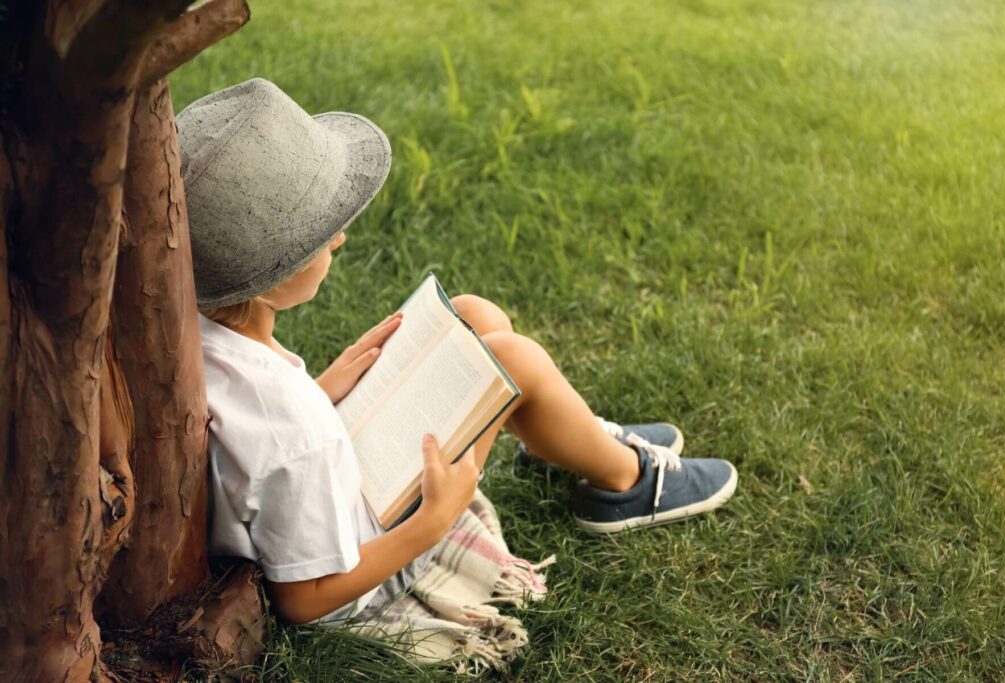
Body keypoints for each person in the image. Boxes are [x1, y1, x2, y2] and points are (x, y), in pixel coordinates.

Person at [178, 78, 738, 626]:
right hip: (361, 571)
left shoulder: (199, 329)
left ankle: (566, 440)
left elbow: (252, 452)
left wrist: (321, 391)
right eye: (322, 235)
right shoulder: (295, 428)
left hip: (335, 492)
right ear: (272, 278)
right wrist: (434, 521)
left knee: (474, 315)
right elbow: (304, 600)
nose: (341, 239)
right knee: (509, 361)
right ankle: (625, 483)